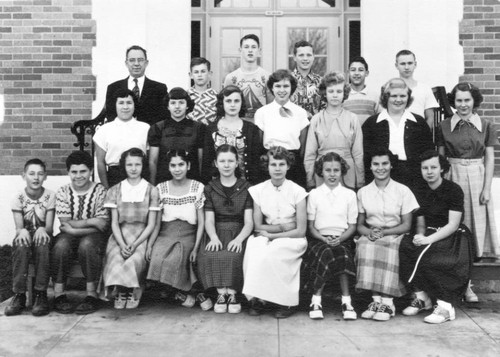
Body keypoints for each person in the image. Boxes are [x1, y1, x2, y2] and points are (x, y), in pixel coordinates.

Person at [438, 82, 499, 302]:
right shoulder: (445, 125)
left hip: (477, 175)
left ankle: (469, 285)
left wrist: (486, 188)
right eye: (459, 100)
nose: (463, 105)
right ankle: (460, 285)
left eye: (467, 100)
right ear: (453, 102)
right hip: (453, 176)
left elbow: (490, 157)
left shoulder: (485, 124)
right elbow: (441, 159)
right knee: (456, 228)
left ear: (474, 101)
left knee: (474, 230)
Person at [399, 151, 475, 324]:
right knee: (406, 246)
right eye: (425, 168)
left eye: (433, 167)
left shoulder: (453, 190)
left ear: (442, 169)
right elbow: (420, 221)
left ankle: (446, 306)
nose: (429, 171)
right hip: (429, 232)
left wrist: (428, 240)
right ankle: (422, 297)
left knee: (436, 256)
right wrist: (419, 234)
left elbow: (452, 225)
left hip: (452, 235)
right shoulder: (419, 189)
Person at [243, 147, 308, 319]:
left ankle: (285, 301)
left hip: (293, 238)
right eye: (273, 164)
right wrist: (282, 227)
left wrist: (274, 235)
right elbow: (257, 225)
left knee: (275, 251)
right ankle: (258, 299)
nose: (277, 168)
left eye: (282, 164)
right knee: (254, 247)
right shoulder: (258, 190)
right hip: (270, 232)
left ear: (288, 166)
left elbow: (300, 230)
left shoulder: (298, 191)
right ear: (267, 166)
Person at [356, 148, 419, 321]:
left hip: (395, 233)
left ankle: (388, 302)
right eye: (376, 164)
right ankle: (376, 300)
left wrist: (385, 232)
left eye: (384, 163)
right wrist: (369, 233)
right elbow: (359, 225)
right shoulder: (363, 192)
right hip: (372, 233)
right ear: (370, 166)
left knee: (387, 246)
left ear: (391, 165)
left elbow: (406, 225)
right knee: (364, 245)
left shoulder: (402, 190)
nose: (380, 168)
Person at [146, 150, 210, 310]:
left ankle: (192, 292)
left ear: (188, 165)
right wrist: (150, 244)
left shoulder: (197, 187)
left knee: (177, 257)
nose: (177, 169)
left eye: (181, 164)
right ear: (168, 167)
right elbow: (157, 223)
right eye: (173, 165)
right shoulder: (161, 188)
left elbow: (202, 221)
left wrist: (196, 246)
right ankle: (177, 293)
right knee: (157, 257)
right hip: (166, 232)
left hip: (190, 233)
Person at [197, 145, 253, 314]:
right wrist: (213, 237)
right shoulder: (210, 188)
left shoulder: (247, 188)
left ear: (237, 163)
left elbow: (249, 222)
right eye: (222, 161)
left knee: (236, 254)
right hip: (217, 230)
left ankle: (233, 293)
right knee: (210, 253)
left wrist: (239, 239)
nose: (226, 165)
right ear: (216, 163)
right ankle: (221, 293)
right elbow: (209, 220)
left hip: (239, 231)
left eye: (230, 161)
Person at [51, 151, 109, 315]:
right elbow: (65, 222)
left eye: (83, 171)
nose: (78, 176)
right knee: (61, 245)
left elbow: (103, 225)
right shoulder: (63, 192)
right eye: (74, 172)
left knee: (87, 244)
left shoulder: (100, 191)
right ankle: (59, 295)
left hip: (93, 236)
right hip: (72, 234)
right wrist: (91, 221)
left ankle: (91, 295)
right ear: (68, 172)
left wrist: (74, 228)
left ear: (91, 171)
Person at [303, 153, 358, 320]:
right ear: (321, 172)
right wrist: (323, 238)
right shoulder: (314, 194)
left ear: (342, 172)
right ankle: (316, 300)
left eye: (336, 170)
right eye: (328, 170)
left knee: (343, 253)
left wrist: (340, 238)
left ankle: (346, 301)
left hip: (343, 237)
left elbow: (352, 226)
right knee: (325, 252)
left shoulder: (349, 195)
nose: (332, 174)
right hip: (319, 238)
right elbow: (311, 227)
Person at [102, 148, 160, 309]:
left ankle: (134, 288)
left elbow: (151, 224)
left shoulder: (151, 190)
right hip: (120, 235)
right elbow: (114, 223)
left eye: (137, 164)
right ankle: (120, 289)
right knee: (116, 258)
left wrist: (135, 245)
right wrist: (121, 244)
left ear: (143, 166)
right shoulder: (115, 190)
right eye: (129, 165)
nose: (133, 168)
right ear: (123, 166)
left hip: (142, 235)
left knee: (135, 259)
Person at [5, 159, 55, 317]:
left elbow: (49, 227)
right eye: (31, 174)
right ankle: (19, 294)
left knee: (42, 244)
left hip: (43, 235)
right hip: (25, 235)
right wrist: (22, 231)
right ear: (23, 175)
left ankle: (41, 294)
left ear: (45, 176)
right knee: (21, 245)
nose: (36, 178)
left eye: (40, 174)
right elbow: (19, 227)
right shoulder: (18, 197)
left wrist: (42, 229)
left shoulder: (50, 196)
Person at [362, 78, 433, 189]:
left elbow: (428, 152)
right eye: (394, 96)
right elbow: (366, 156)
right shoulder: (372, 123)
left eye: (403, 96)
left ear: (408, 98)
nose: (398, 100)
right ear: (386, 98)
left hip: (413, 177)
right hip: (382, 175)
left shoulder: (419, 122)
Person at [304, 71, 364, 190]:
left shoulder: (352, 119)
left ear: (344, 93)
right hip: (322, 172)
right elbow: (310, 154)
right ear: (325, 93)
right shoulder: (316, 119)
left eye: (339, 91)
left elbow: (358, 154)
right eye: (331, 91)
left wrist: (360, 180)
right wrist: (310, 179)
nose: (335, 95)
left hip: (348, 172)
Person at [254, 69, 309, 187]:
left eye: (286, 86)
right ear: (272, 88)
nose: (282, 90)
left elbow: (303, 145)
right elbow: (258, 142)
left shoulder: (300, 112)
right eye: (278, 86)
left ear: (292, 88)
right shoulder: (262, 112)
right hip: (270, 161)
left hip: (293, 163)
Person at [202, 85, 265, 185]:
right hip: (217, 187)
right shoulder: (211, 129)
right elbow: (206, 163)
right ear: (222, 103)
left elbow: (255, 163)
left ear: (241, 103)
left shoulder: (251, 129)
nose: (232, 105)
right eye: (228, 101)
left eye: (236, 101)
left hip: (245, 185)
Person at [94, 88, 150, 189]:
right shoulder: (104, 130)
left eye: (129, 102)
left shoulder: (145, 128)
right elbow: (100, 163)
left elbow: (151, 160)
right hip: (115, 178)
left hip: (140, 177)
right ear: (115, 105)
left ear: (134, 105)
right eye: (121, 103)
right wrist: (107, 189)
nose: (125, 107)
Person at [148, 87, 205, 185]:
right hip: (164, 181)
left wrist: (201, 184)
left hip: (192, 181)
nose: (177, 106)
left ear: (187, 106)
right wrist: (153, 186)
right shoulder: (157, 128)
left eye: (181, 103)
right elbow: (153, 161)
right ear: (168, 106)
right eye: (173, 103)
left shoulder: (199, 128)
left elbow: (201, 160)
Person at [105, 45, 168, 125]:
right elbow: (111, 116)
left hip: (150, 134)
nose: (136, 64)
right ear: (126, 63)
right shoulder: (113, 88)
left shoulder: (159, 89)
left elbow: (163, 117)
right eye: (132, 60)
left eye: (140, 60)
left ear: (146, 63)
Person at [223, 34, 273, 122]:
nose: (250, 50)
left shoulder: (267, 77)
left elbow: (271, 107)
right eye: (246, 47)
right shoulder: (231, 78)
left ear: (259, 51)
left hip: (261, 125)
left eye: (253, 47)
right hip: (238, 125)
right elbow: (226, 106)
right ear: (240, 50)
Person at [395, 49, 438, 129]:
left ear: (415, 64)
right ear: (396, 65)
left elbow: (430, 117)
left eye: (410, 63)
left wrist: (423, 136)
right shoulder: (391, 88)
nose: (406, 67)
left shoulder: (424, 88)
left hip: (418, 133)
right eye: (402, 64)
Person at [290, 40, 322, 119]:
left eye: (308, 55)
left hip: (315, 128)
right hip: (293, 128)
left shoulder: (321, 82)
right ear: (294, 57)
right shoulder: (287, 81)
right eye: (301, 55)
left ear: (313, 57)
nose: (305, 58)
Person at [343, 56, 380, 125]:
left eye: (360, 70)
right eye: (353, 70)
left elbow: (380, 120)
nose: (356, 73)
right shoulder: (342, 95)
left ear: (366, 73)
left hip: (368, 135)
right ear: (348, 72)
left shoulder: (375, 96)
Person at [187, 57, 218, 125]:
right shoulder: (186, 96)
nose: (199, 75)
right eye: (196, 72)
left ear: (210, 74)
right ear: (191, 75)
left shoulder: (217, 96)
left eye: (203, 71)